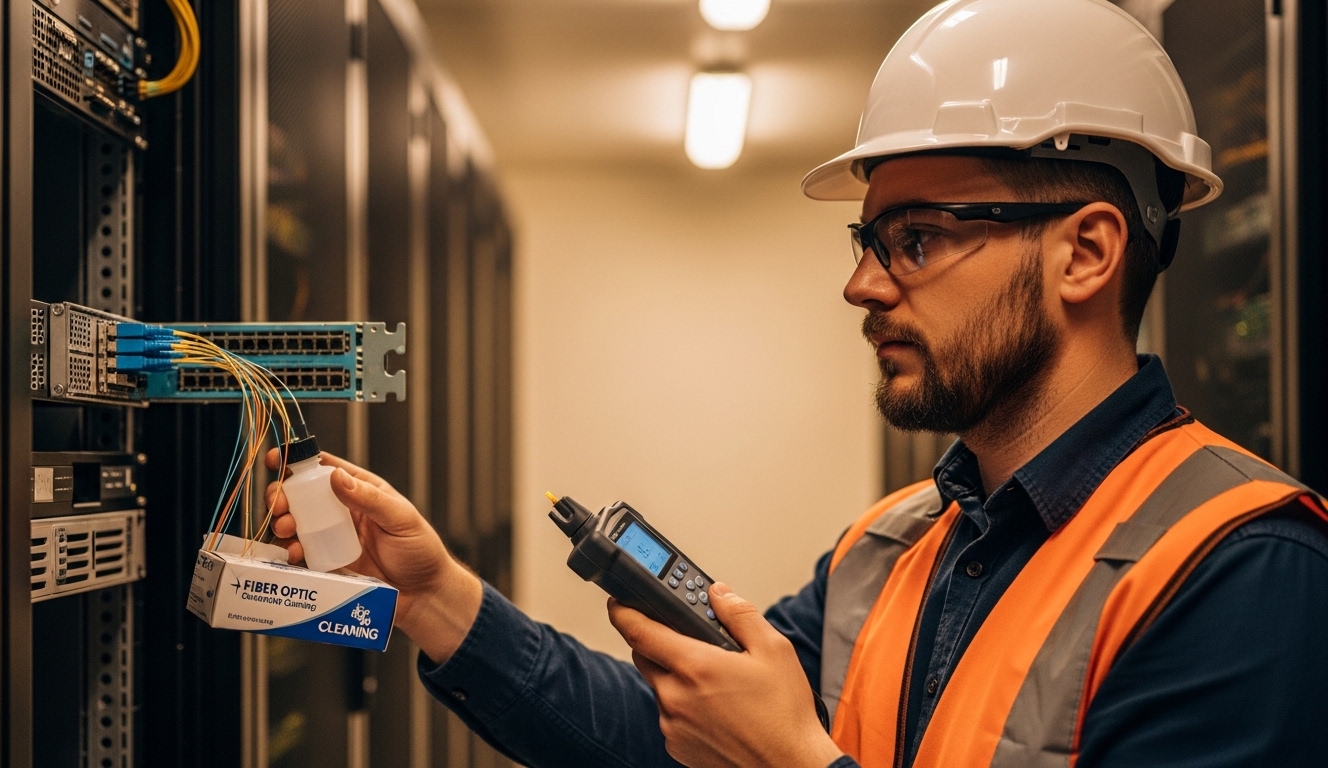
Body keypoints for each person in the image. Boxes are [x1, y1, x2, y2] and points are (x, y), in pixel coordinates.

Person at [264, 0, 1328, 765]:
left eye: (916, 239)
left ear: (1085, 254)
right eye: (868, 238)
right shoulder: (895, 547)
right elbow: (672, 736)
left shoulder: (1242, 573)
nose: (861, 284)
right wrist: (434, 598)